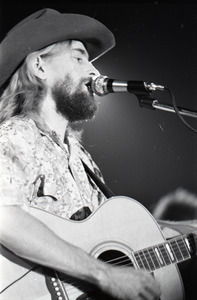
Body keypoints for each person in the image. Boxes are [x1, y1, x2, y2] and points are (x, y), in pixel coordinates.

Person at [0, 8, 161, 300]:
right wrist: (103, 274)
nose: (94, 72)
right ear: (39, 66)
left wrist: (180, 230)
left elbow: (118, 235)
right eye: (78, 57)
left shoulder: (82, 158)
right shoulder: (16, 136)